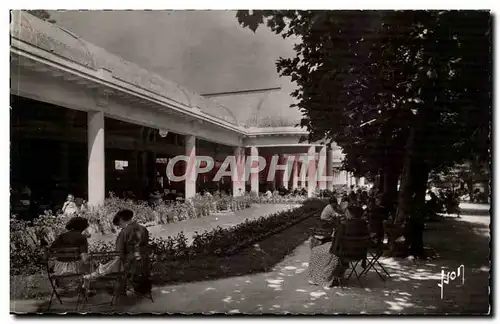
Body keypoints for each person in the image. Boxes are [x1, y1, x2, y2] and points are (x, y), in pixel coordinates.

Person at [84, 209, 151, 296]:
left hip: (130, 264)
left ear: (122, 221)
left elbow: (119, 253)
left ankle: (119, 291)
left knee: (111, 269)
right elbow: (145, 245)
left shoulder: (124, 232)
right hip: (144, 261)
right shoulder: (144, 229)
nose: (120, 227)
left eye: (119, 225)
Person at [308, 206, 369, 287]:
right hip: (360, 252)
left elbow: (336, 243)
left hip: (344, 252)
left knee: (316, 250)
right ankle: (337, 273)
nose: (345, 214)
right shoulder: (364, 225)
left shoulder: (344, 225)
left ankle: (319, 277)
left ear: (351, 214)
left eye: (347, 212)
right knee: (324, 248)